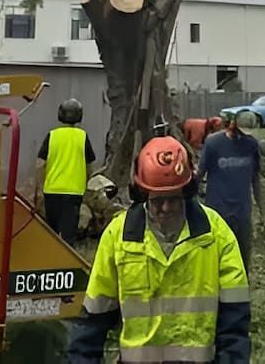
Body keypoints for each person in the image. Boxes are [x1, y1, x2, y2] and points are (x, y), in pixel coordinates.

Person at [68, 135, 251, 364]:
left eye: (173, 199)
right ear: (143, 195)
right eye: (157, 201)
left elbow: (235, 324)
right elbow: (92, 322)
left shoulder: (216, 236)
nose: (165, 208)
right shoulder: (119, 238)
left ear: (186, 192)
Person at [198, 112, 264, 274]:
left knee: (241, 260)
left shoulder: (252, 145)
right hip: (218, 212)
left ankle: (240, 295)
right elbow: (199, 175)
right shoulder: (213, 144)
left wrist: (262, 211)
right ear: (233, 124)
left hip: (242, 213)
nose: (242, 136)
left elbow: (255, 179)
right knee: (216, 259)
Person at [34, 98, 96, 245]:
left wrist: (39, 187)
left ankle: (50, 261)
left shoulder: (52, 135)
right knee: (68, 235)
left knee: (51, 234)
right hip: (73, 193)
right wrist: (86, 183)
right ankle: (67, 263)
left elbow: (39, 164)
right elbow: (90, 166)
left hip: (52, 191)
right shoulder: (82, 137)